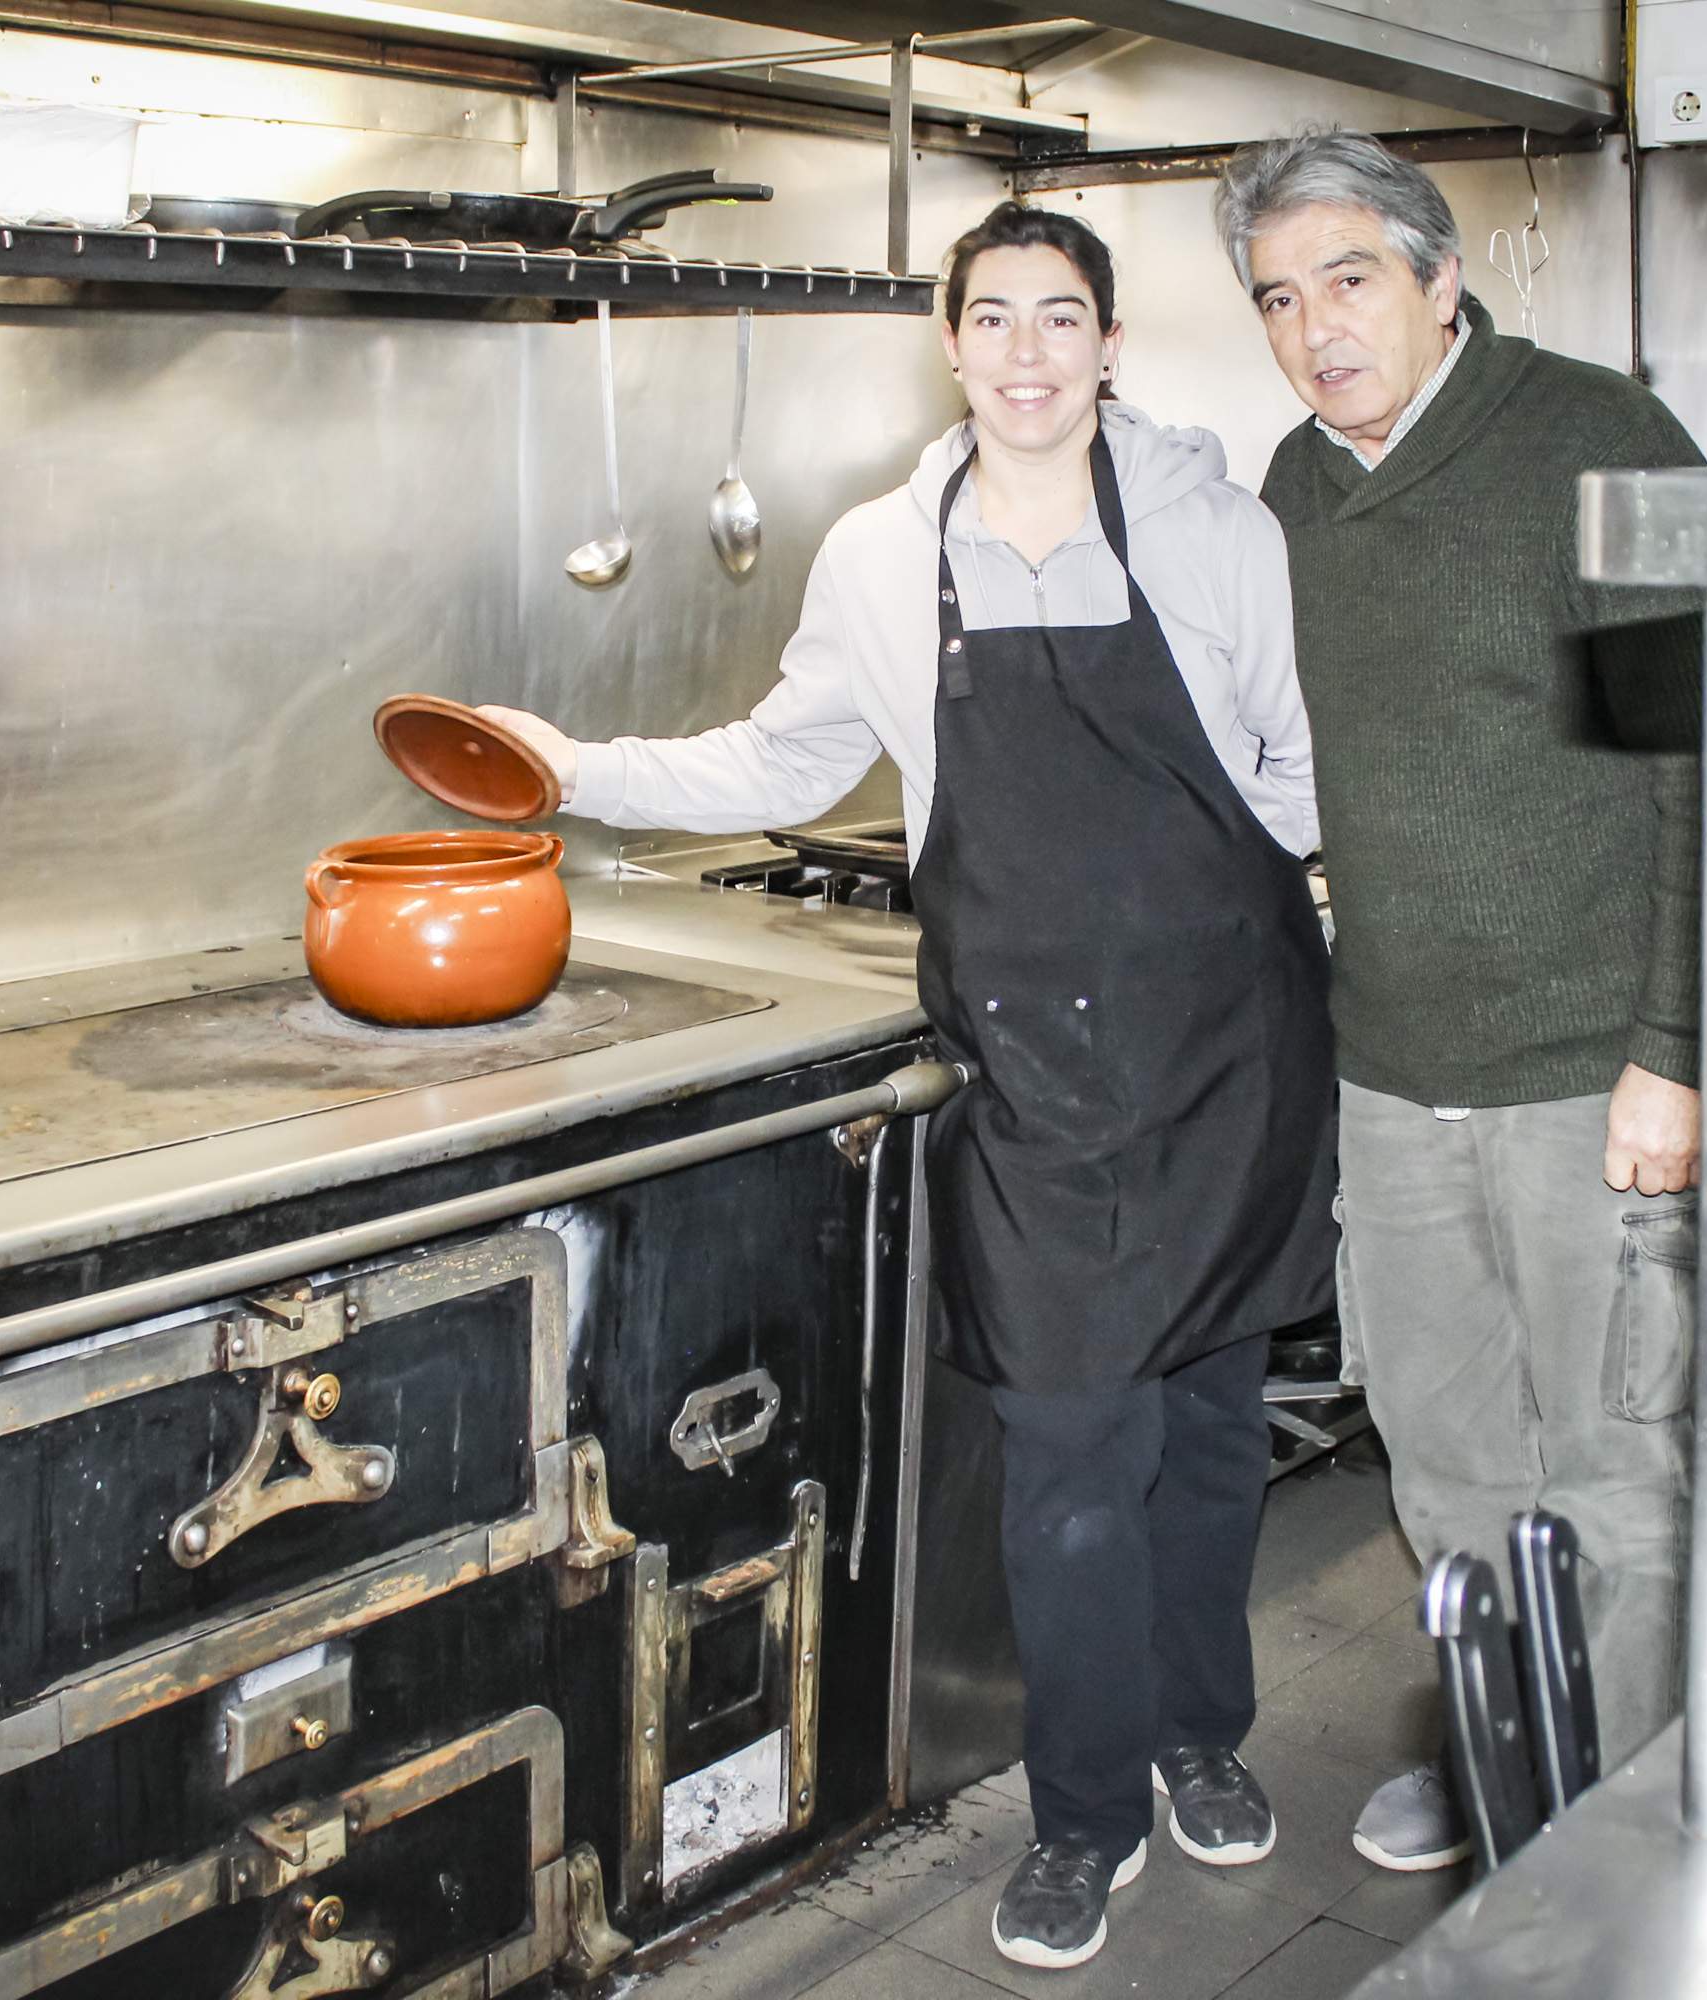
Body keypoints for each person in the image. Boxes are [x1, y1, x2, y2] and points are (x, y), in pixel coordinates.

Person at [479, 201, 1333, 1971]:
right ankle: (1087, 1818)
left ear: (1109, 344)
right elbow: (786, 750)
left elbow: (1297, 768)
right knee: (1065, 1454)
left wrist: (1270, 904)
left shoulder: (1217, 529)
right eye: (996, 317)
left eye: (1062, 318)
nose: (1029, 351)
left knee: (1208, 1439)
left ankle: (1201, 1739)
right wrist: (584, 771)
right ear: (952, 343)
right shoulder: (882, 555)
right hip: (1034, 1076)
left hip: (1225, 1052)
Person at [1210, 128, 1707, 1872]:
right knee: (1446, 1463)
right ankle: (1509, 1753)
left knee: (1619, 1470)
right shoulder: (1289, 491)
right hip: (1395, 1071)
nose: (1316, 327)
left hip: (1594, 1071)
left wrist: (1678, 1050)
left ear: (1437, 279)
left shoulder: (1602, 444)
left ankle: (1628, 1818)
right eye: (1279, 298)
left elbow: (1701, 773)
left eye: (1350, 280)